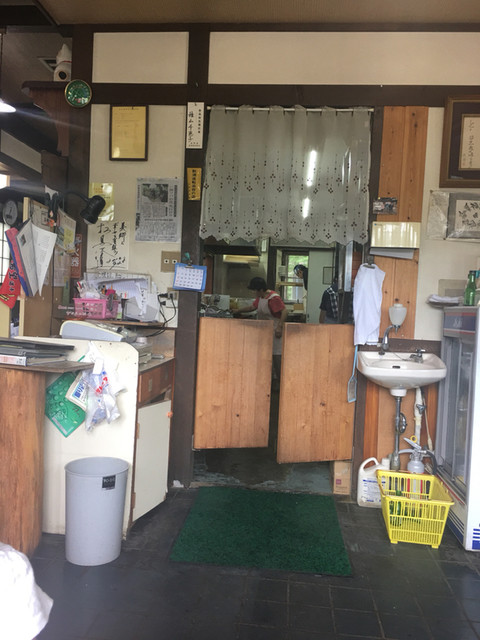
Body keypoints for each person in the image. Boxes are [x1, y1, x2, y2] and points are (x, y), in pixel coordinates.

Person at [234, 276, 288, 380]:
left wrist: (279, 327)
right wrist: (238, 310)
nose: (253, 293)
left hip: (275, 331)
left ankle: (280, 382)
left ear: (261, 289)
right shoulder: (261, 297)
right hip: (265, 331)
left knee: (277, 358)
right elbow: (252, 307)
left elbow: (284, 312)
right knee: (266, 356)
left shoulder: (273, 298)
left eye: (254, 290)